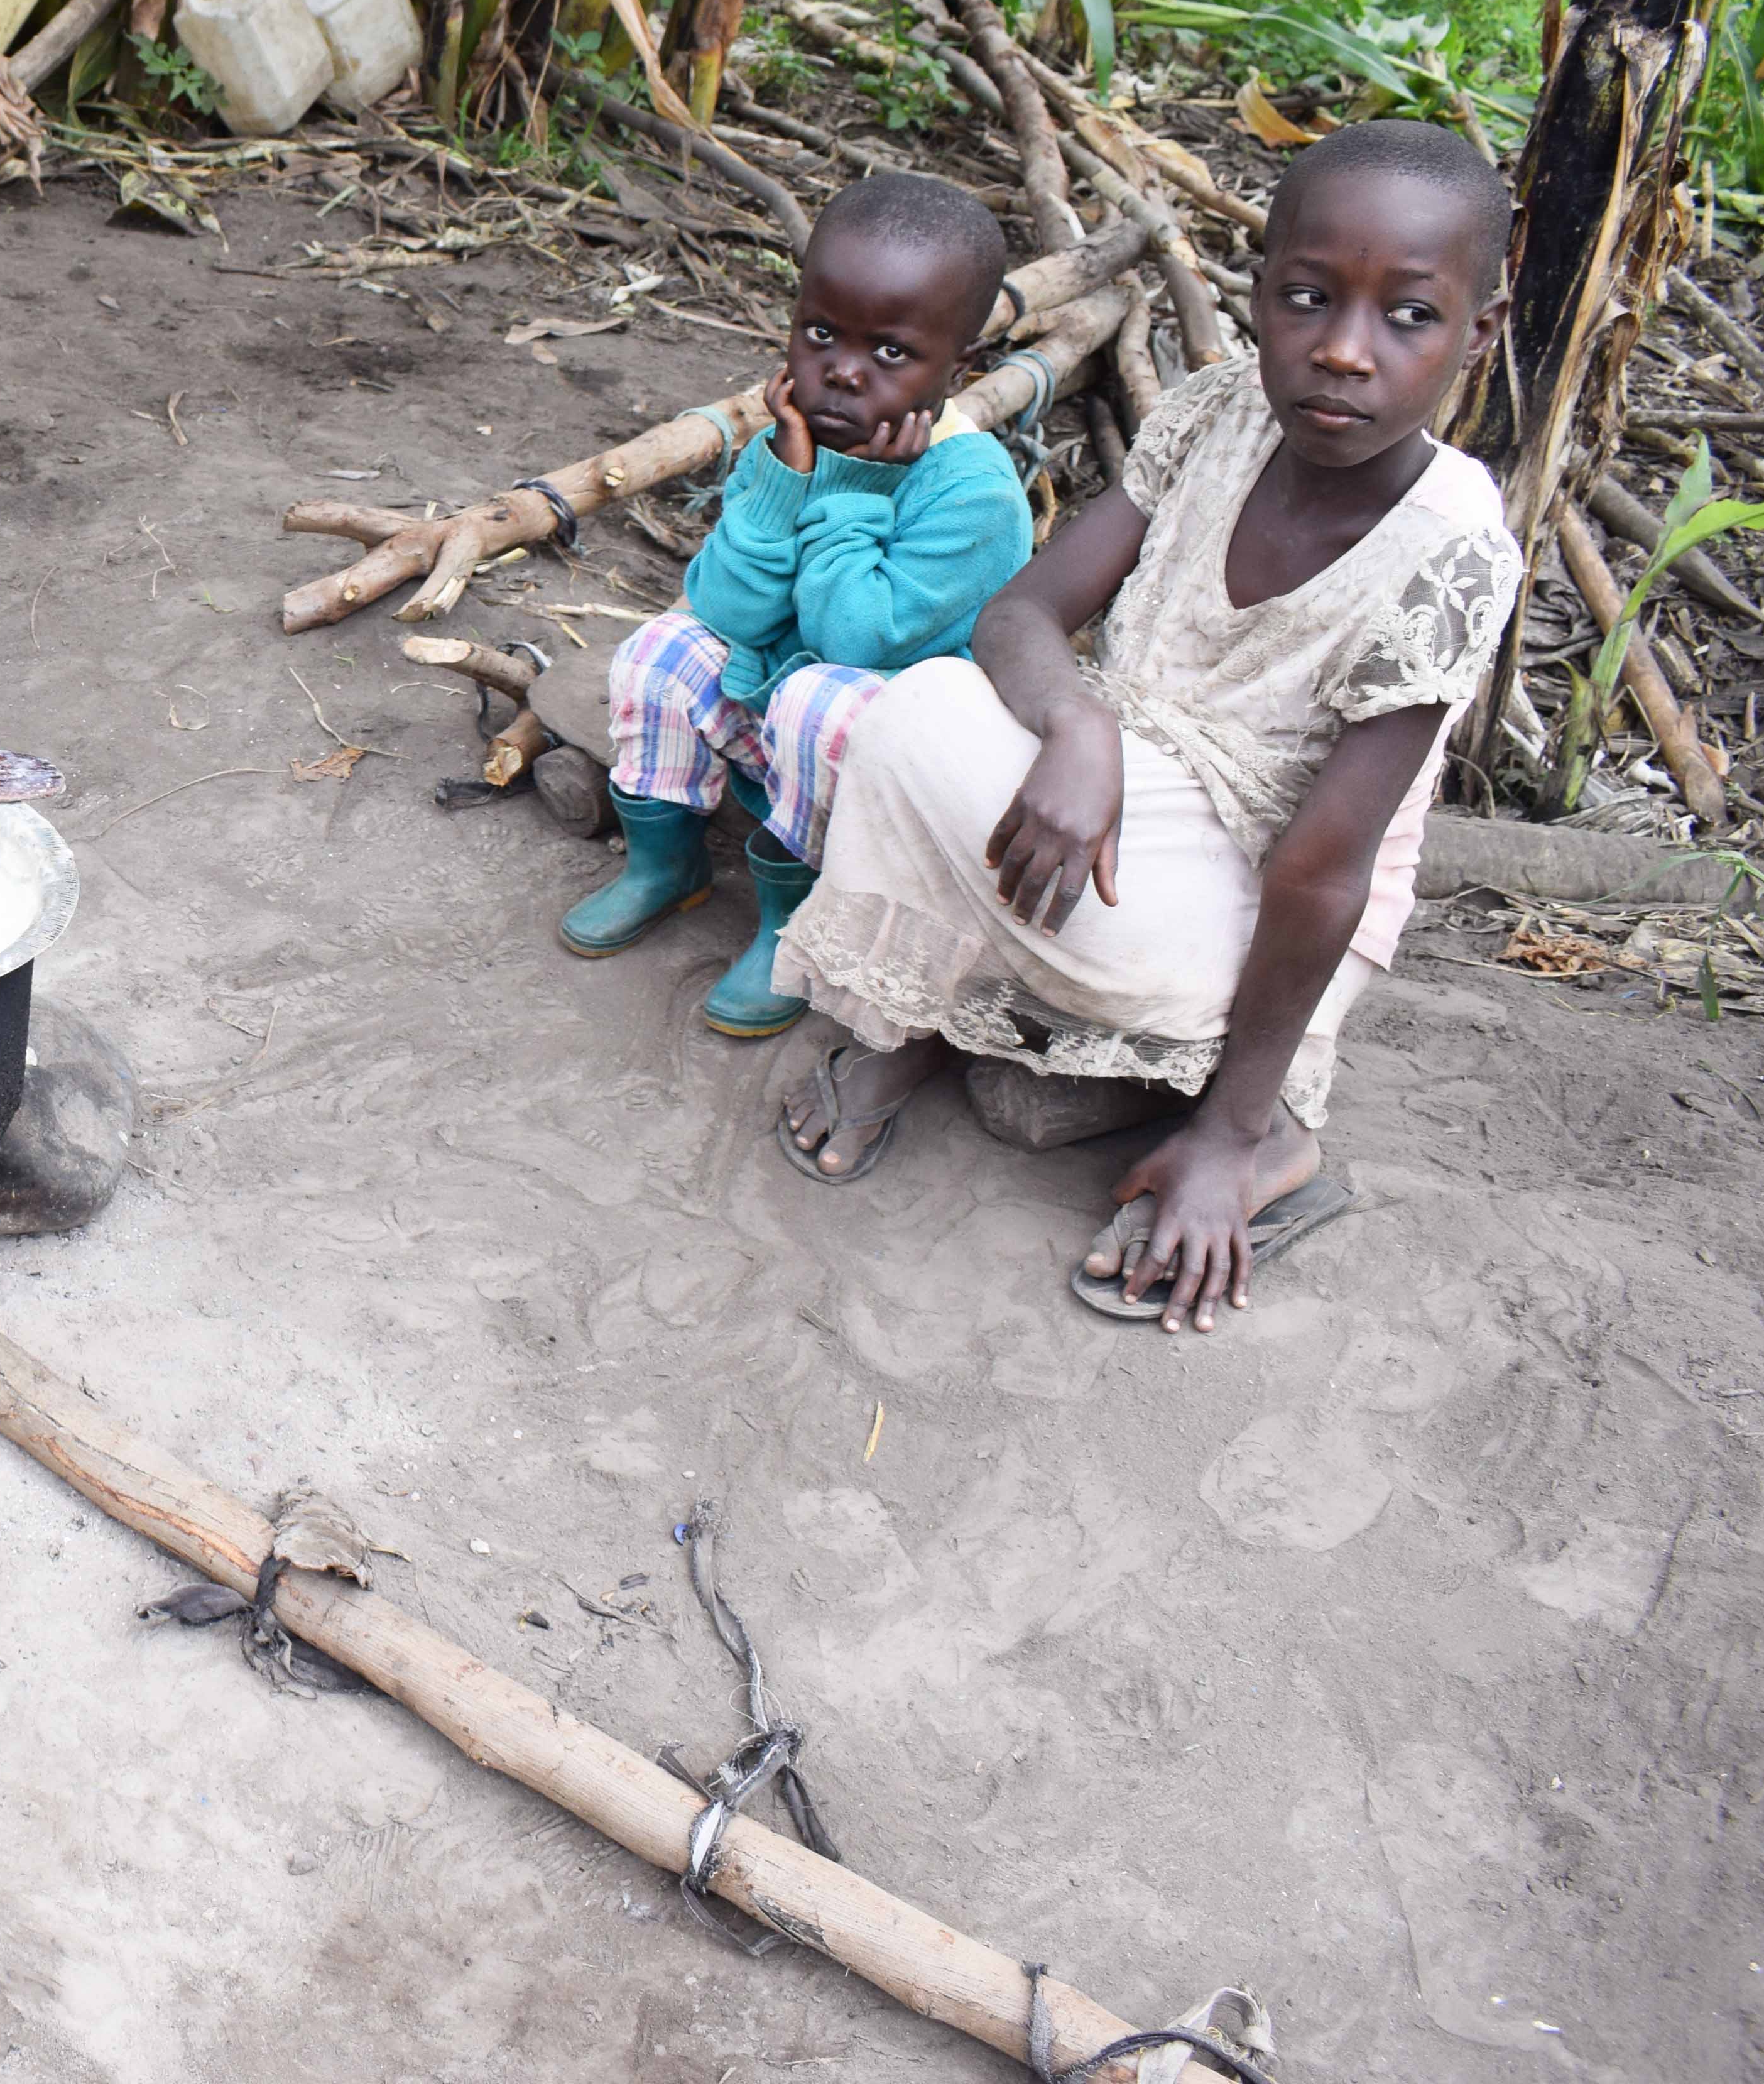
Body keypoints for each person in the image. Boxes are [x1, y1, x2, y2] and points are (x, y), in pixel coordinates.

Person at [773, 120, 1528, 1336]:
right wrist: (1077, 727)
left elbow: (1325, 872)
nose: (1342, 352)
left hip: (1261, 894)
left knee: (1069, 897)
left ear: (1477, 334)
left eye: (1409, 317)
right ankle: (934, 1009)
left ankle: (1259, 1129)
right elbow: (1022, 614)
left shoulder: (1451, 553)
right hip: (1120, 789)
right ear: (1258, 292)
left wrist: (1224, 1140)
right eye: (1307, 298)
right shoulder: (1219, 412)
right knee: (900, 715)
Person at [562, 172, 1030, 1037]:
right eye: (821, 334)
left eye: (891, 353)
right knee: (665, 650)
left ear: (958, 369)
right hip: (785, 711)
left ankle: (798, 922)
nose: (843, 373)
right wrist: (783, 482)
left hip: (895, 761)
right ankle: (665, 865)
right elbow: (728, 610)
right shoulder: (791, 440)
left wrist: (850, 489)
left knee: (820, 697)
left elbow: (852, 637)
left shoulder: (975, 494)